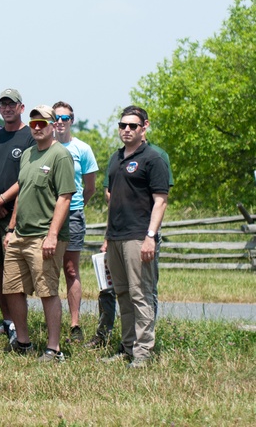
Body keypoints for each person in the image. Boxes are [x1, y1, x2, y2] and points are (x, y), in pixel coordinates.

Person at [2, 105, 76, 362]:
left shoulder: (60, 155)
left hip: (44, 236)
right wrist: (11, 229)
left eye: (42, 123)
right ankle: (23, 341)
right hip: (19, 235)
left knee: (47, 291)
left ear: (53, 125)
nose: (36, 127)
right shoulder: (28, 154)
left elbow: (65, 198)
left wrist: (53, 235)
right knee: (11, 288)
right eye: (33, 123)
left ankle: (54, 349)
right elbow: (22, 193)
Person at [88, 125, 173, 349]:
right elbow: (113, 200)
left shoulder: (153, 158)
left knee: (140, 294)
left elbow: (161, 201)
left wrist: (150, 237)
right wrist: (108, 236)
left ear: (143, 127)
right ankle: (128, 347)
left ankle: (144, 351)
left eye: (132, 125)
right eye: (122, 125)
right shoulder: (116, 158)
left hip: (138, 235)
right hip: (116, 236)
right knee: (123, 294)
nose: (127, 129)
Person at [0, 88, 34, 341]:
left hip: (17, 214)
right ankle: (7, 321)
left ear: (21, 108)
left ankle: (21, 326)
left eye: (12, 105)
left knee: (14, 271)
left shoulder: (30, 137)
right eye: (3, 104)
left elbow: (26, 177)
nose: (7, 108)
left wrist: (1, 200)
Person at [52, 101, 98, 342]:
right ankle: (52, 322)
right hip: (47, 216)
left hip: (73, 215)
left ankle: (75, 324)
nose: (60, 122)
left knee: (70, 269)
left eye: (65, 117)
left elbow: (90, 187)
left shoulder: (83, 149)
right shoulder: (44, 147)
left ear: (72, 120)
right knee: (48, 270)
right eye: (56, 118)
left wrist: (76, 206)